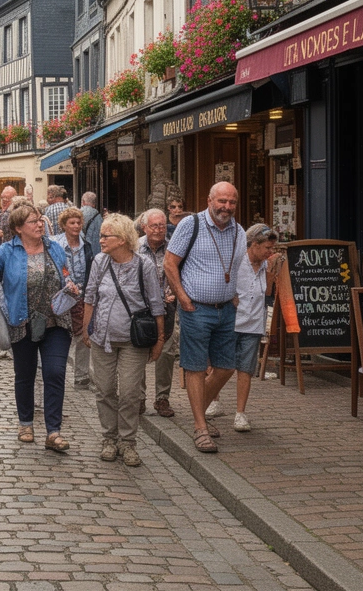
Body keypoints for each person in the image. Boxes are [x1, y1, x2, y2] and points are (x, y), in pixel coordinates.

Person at [0, 205, 82, 453]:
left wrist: (70, 285)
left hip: (56, 320)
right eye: (33, 221)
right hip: (21, 321)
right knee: (25, 375)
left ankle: (53, 431)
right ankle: (26, 423)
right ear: (18, 228)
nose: (39, 224)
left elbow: (65, 273)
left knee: (55, 373)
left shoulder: (54, 247)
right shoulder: (7, 251)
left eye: (39, 220)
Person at [163, 182, 248, 453]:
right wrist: (183, 297)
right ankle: (201, 428)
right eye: (222, 201)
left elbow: (239, 267)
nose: (226, 207)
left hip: (226, 308)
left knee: (226, 366)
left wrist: (235, 294)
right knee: (196, 367)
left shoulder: (239, 231)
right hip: (196, 308)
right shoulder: (191, 225)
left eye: (232, 202)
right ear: (210, 199)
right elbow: (169, 262)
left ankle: (197, 412)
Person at [83, 213, 165, 466]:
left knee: (130, 393)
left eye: (106, 236)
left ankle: (128, 443)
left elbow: (156, 303)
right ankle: (109, 438)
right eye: (101, 236)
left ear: (122, 239)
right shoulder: (99, 261)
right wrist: (86, 329)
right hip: (102, 337)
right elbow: (90, 295)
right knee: (105, 390)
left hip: (133, 340)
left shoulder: (144, 265)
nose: (101, 240)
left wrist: (160, 339)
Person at [202, 224, 281, 434]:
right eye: (267, 247)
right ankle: (214, 401)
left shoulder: (267, 265)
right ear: (254, 245)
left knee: (245, 369)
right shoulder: (237, 262)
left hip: (253, 324)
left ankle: (240, 413)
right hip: (231, 322)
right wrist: (231, 297)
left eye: (272, 248)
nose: (270, 252)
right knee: (219, 365)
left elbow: (267, 293)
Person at [138, 208, 178, 418]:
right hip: (141, 311)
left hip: (167, 308)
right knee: (139, 354)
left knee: (166, 354)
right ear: (144, 227)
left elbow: (179, 274)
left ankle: (162, 398)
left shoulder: (173, 248)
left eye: (162, 225)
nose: (158, 230)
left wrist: (173, 294)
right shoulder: (135, 247)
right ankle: (139, 398)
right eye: (154, 226)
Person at [58, 207, 96, 389]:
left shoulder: (86, 246)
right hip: (63, 296)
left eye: (79, 222)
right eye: (72, 223)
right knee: (62, 335)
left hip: (82, 296)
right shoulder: (55, 244)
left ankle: (81, 376)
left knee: (82, 334)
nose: (76, 226)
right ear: (64, 225)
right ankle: (57, 372)